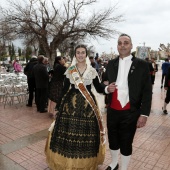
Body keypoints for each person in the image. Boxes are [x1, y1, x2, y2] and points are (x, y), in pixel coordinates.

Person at [45, 45, 106, 170]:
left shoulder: (92, 71)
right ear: (75, 55)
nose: (80, 55)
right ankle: (65, 162)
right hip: (70, 107)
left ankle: (84, 164)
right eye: (78, 53)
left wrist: (106, 88)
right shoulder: (70, 70)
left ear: (86, 54)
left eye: (83, 52)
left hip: (88, 108)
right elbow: (64, 90)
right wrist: (58, 107)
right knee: (67, 134)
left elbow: (98, 87)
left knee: (86, 134)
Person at [104, 33, 152, 170]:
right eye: (120, 43)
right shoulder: (111, 64)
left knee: (126, 141)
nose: (123, 45)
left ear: (131, 46)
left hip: (130, 112)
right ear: (117, 46)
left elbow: (147, 91)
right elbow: (104, 82)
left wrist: (144, 114)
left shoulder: (142, 65)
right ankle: (114, 163)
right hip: (113, 110)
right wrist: (107, 88)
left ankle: (124, 167)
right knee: (113, 139)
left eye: (126, 42)